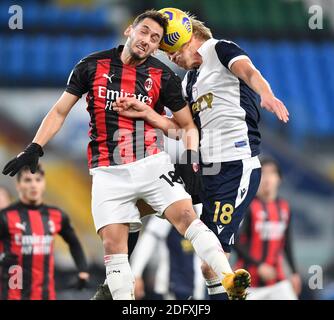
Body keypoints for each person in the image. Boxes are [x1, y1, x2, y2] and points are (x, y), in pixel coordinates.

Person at [2, 10, 250, 300]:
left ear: (158, 47)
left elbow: (186, 127)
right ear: (129, 30)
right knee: (113, 247)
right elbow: (60, 111)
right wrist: (35, 146)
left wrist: (191, 159)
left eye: (155, 38)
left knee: (187, 216)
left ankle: (229, 279)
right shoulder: (90, 66)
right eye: (144, 31)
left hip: (150, 162)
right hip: (107, 171)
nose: (147, 40)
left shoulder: (163, 75)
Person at [112, 16, 289, 300]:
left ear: (188, 36)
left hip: (234, 167)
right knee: (136, 204)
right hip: (203, 169)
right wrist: (147, 114)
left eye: (173, 50)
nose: (171, 57)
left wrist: (266, 94)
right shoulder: (189, 82)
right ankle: (118, 274)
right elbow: (182, 129)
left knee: (211, 263)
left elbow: (249, 71)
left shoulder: (219, 49)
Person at [0, 165, 89, 300]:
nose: (33, 185)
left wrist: (82, 270)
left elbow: (74, 242)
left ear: (44, 183)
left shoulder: (57, 215)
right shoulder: (5, 216)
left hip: (46, 295)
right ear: (18, 185)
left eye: (38, 179)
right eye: (28, 180)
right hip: (11, 295)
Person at [234, 158, 301, 300]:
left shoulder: (284, 207)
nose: (267, 178)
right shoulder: (248, 207)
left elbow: (287, 243)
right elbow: (235, 241)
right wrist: (258, 265)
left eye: (272, 173)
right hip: (247, 282)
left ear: (279, 179)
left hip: (276, 281)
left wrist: (294, 272)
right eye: (263, 173)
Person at [131, 210, 206, 300]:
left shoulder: (202, 208)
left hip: (197, 288)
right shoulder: (168, 207)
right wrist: (136, 275)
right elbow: (148, 241)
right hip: (170, 288)